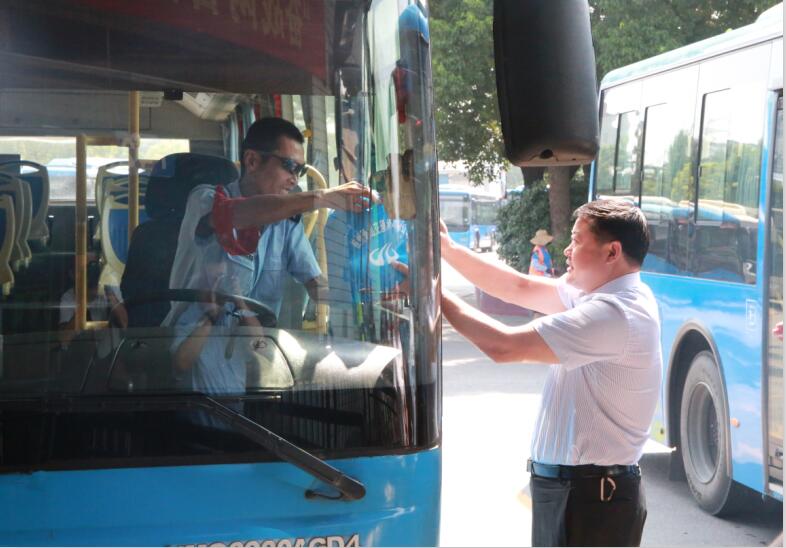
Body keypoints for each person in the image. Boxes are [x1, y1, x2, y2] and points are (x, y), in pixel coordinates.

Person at [440, 199, 661, 547]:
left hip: (594, 499)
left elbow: (504, 346)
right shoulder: (601, 295)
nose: (568, 250)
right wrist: (446, 249)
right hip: (578, 491)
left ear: (612, 252)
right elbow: (519, 288)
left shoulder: (615, 313)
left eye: (577, 240)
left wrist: (433, 295)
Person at [166, 117, 371, 397]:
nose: (295, 179)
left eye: (300, 170)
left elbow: (317, 288)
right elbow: (236, 215)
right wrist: (321, 197)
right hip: (186, 365)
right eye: (289, 166)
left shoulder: (286, 226)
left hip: (251, 367)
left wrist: (370, 295)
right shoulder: (205, 201)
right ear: (252, 161)